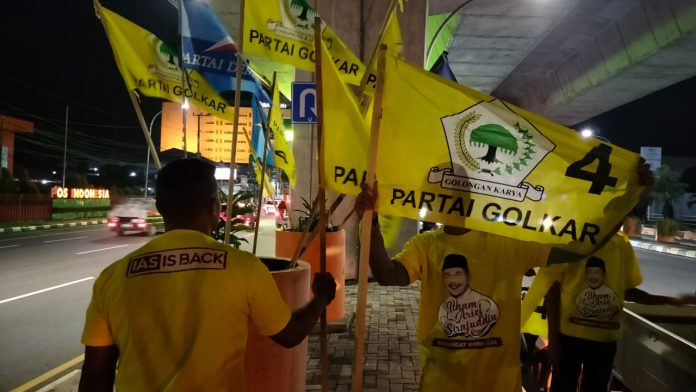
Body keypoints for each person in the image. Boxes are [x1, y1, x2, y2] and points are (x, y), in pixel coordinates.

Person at [353, 161, 652, 391]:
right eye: (440, 193)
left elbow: (577, 248)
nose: (445, 199)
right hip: (443, 381)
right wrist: (370, 221)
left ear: (468, 195)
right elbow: (388, 274)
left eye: (450, 191)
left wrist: (628, 199)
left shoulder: (507, 241)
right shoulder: (426, 245)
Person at [79, 159, 336, 391]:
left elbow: (95, 378)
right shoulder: (242, 268)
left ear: (159, 207)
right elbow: (290, 334)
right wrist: (320, 298)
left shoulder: (112, 277)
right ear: (215, 207)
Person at [538, 229, 696, 392]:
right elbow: (552, 291)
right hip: (569, 339)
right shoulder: (570, 241)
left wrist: (673, 301)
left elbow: (628, 291)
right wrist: (553, 340)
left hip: (604, 342)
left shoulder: (621, 245)